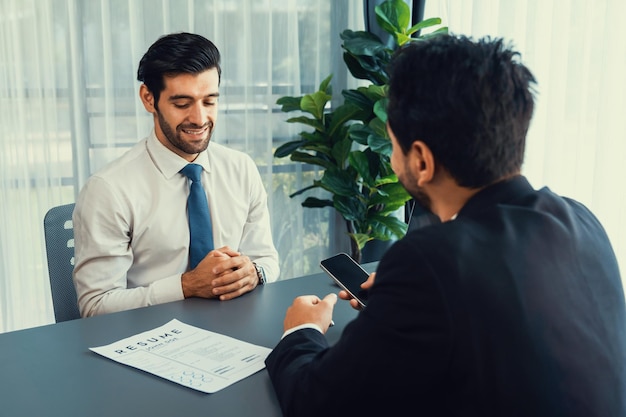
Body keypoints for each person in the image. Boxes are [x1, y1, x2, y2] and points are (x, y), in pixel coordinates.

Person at [265, 34, 626, 417]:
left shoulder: (432, 262)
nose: (391, 162)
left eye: (392, 147)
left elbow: (317, 403)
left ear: (421, 160)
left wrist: (301, 332)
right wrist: (399, 306)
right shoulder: (582, 221)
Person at [73, 32, 279, 317]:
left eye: (209, 102)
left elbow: (266, 258)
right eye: (182, 104)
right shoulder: (109, 190)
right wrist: (187, 286)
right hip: (147, 339)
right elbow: (96, 307)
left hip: (234, 330)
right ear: (148, 98)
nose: (199, 118)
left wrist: (253, 272)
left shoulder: (241, 168)